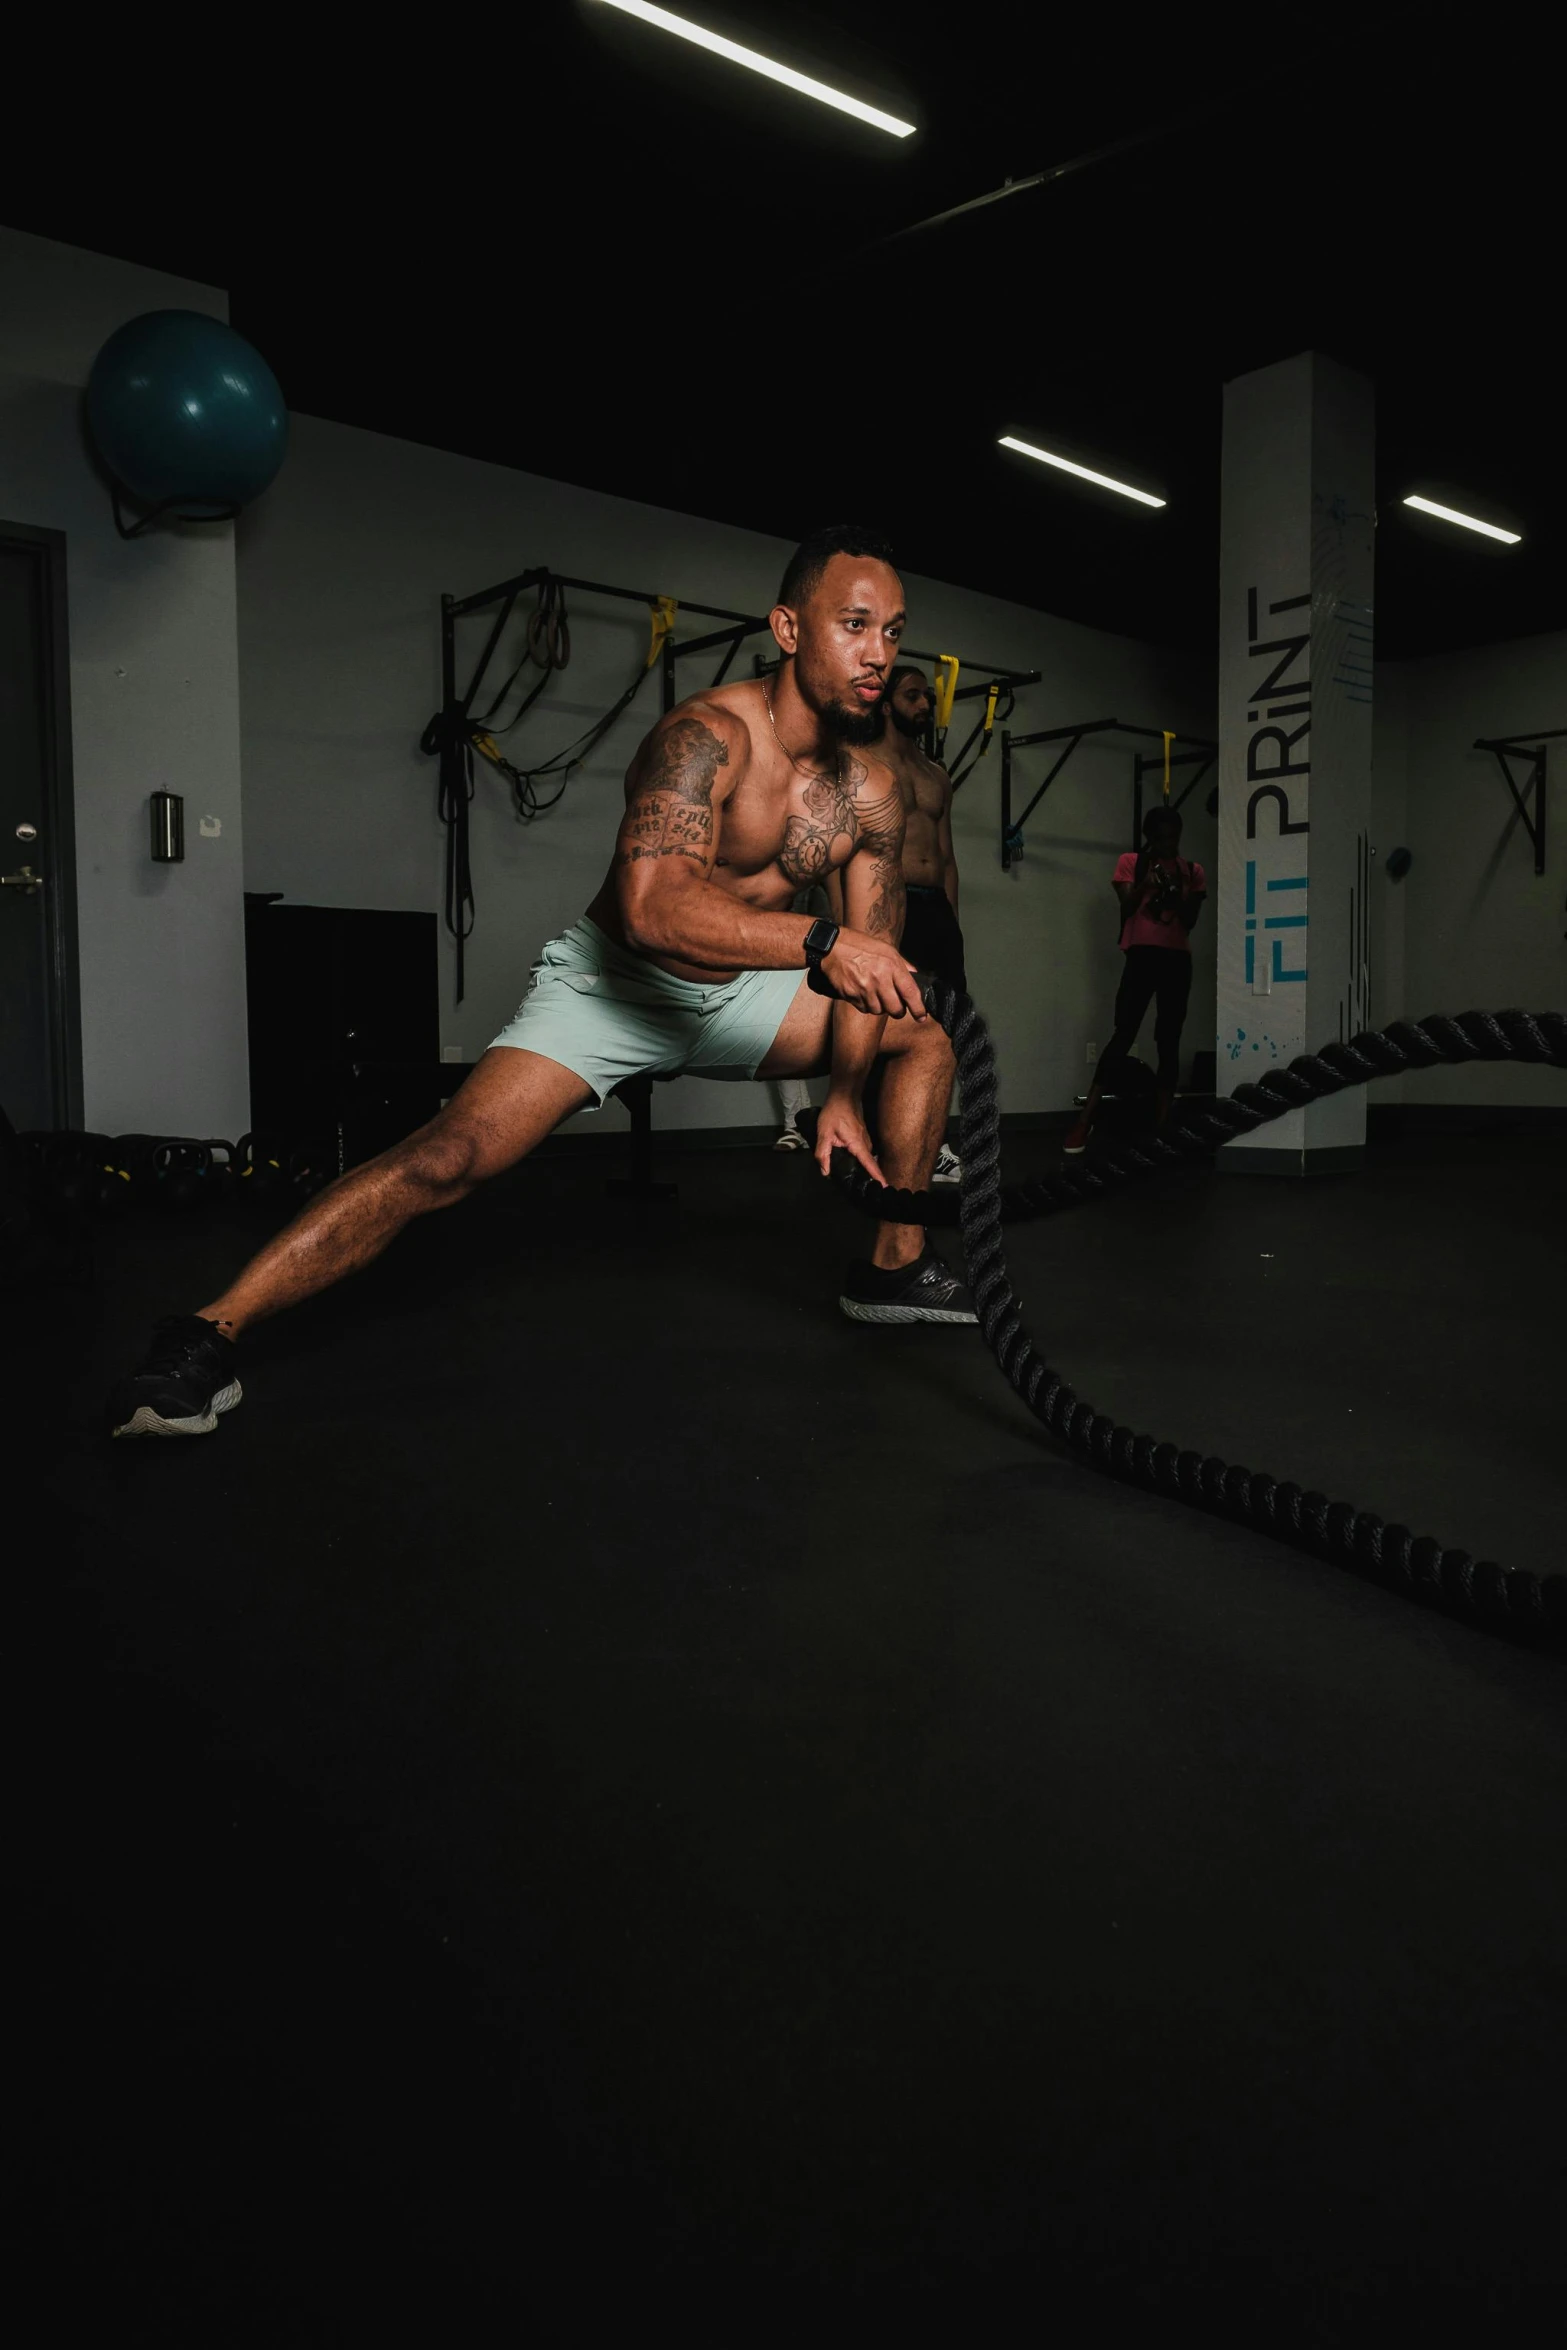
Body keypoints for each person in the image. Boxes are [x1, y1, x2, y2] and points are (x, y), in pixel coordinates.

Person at [110, 526, 975, 1439]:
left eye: (892, 631)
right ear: (789, 629)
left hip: (742, 995)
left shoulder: (871, 794)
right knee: (445, 1159)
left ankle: (891, 1265)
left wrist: (842, 1093)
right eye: (854, 625)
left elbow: (868, 976)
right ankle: (206, 1334)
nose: (879, 653)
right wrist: (822, 938)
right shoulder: (704, 738)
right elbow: (653, 908)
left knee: (925, 1023)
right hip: (615, 987)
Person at [841, 663, 965, 1185]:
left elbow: (948, 857)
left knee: (948, 1031)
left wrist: (952, 923)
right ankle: (869, 1144)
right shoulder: (861, 764)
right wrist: (852, 931)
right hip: (886, 910)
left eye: (929, 697)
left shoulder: (937, 774)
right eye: (914, 695)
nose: (926, 704)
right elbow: (839, 853)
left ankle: (927, 1143)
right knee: (880, 1027)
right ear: (887, 704)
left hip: (936, 911)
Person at [1063, 805, 1206, 1156]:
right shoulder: (1132, 863)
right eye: (1160, 838)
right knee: (1123, 1034)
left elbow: (1189, 921)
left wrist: (1178, 891)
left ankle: (1161, 1128)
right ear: (1150, 839)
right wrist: (1147, 884)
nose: (1168, 845)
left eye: (1173, 838)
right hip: (1141, 957)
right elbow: (1126, 908)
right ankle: (1085, 1120)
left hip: (1177, 960)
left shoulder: (1192, 871)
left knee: (1168, 1039)